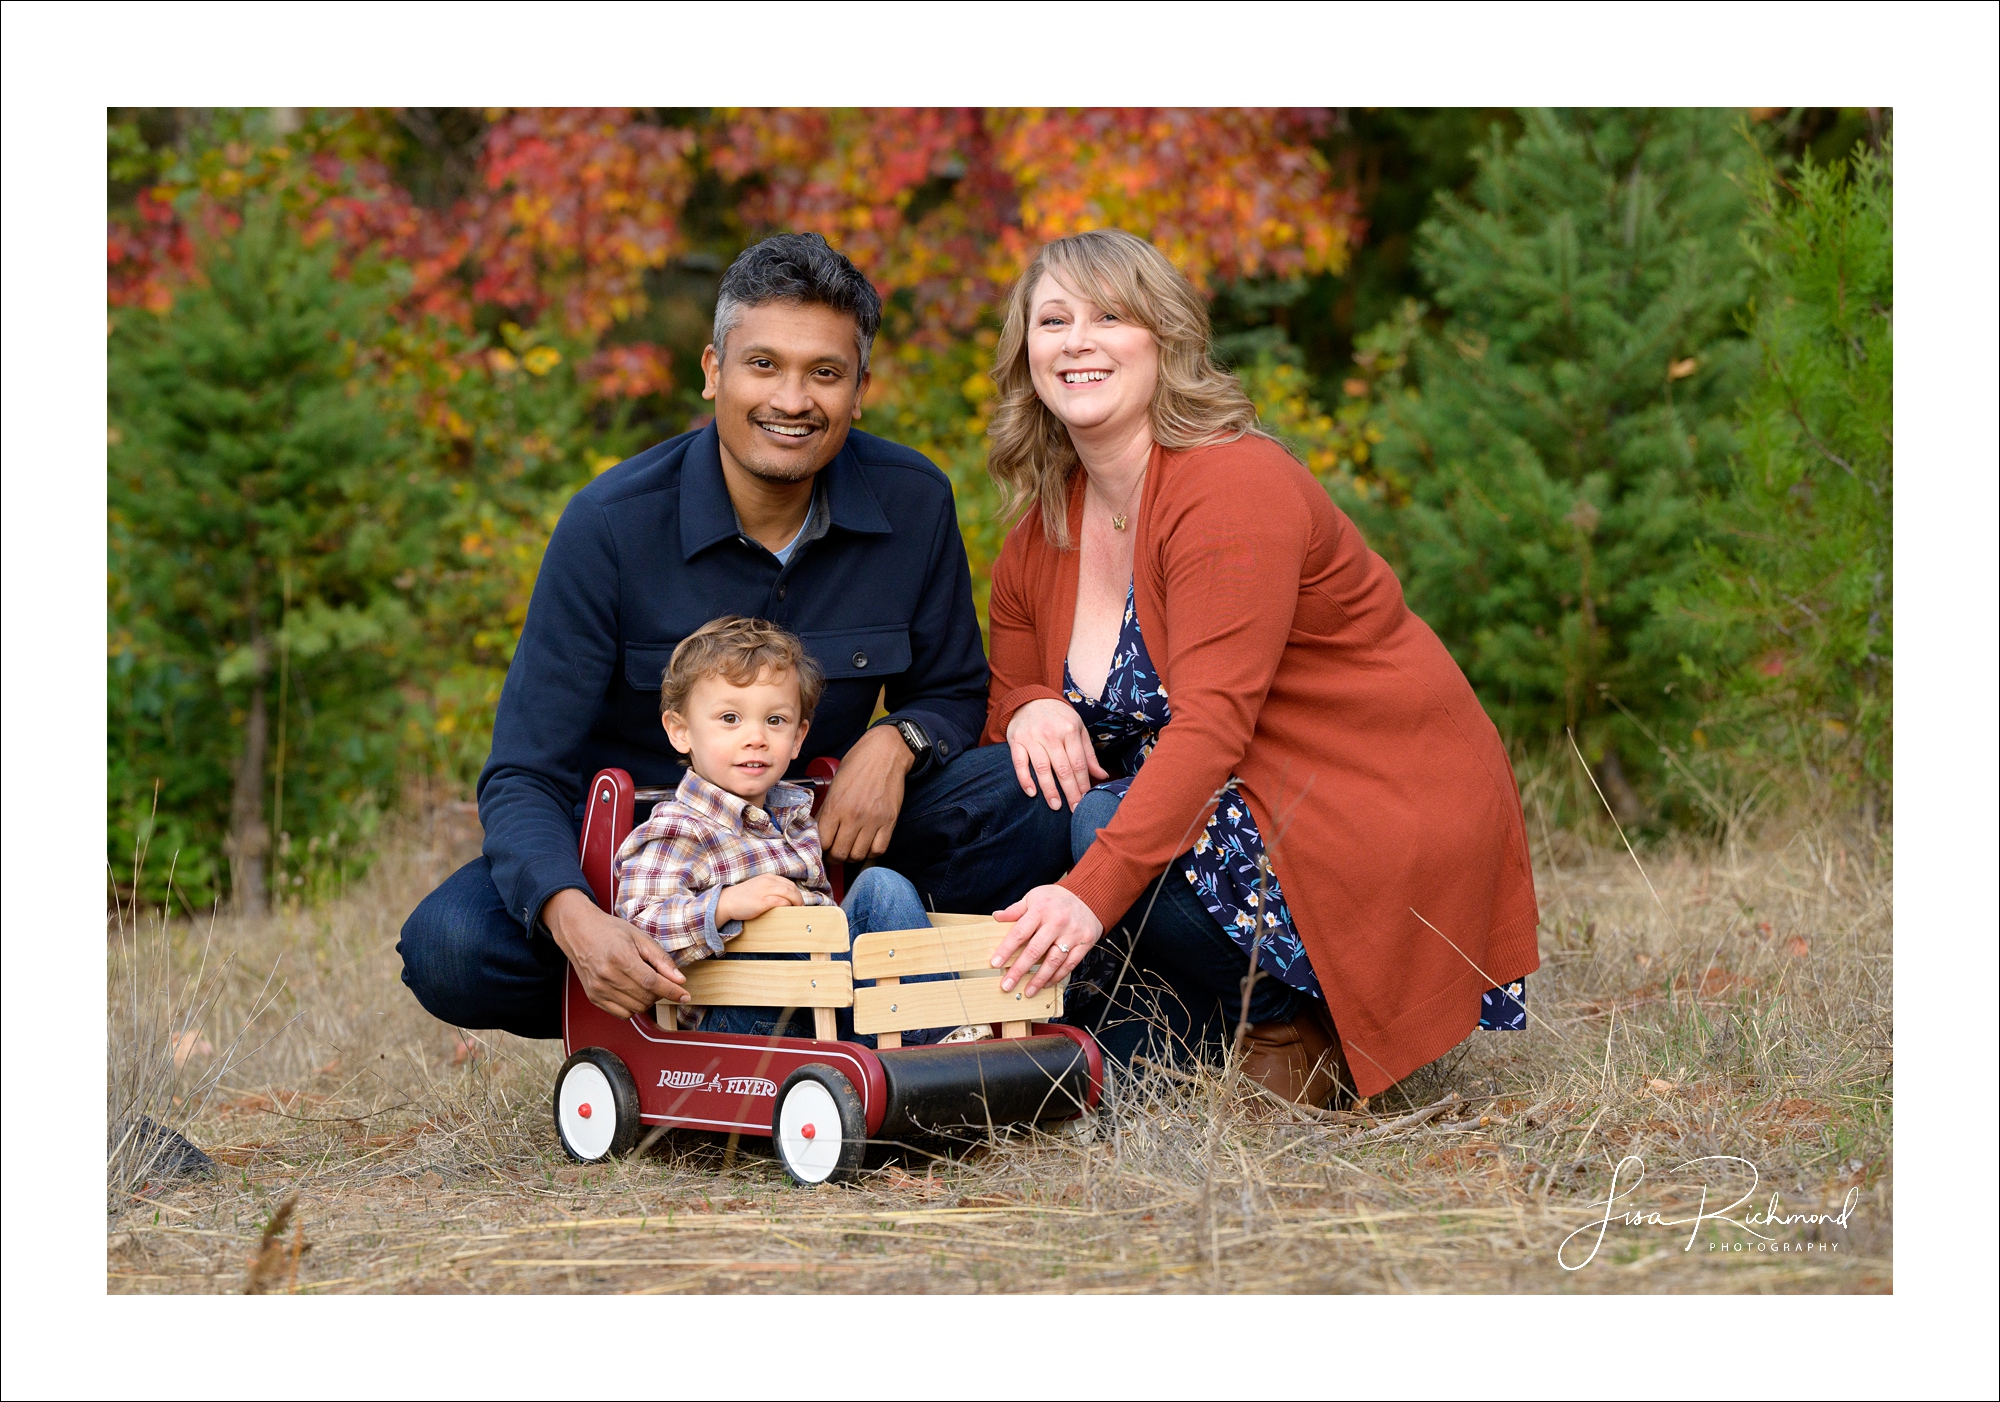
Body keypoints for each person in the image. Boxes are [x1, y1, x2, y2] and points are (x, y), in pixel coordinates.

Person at [398, 233, 1071, 1040]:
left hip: (825, 851)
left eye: (824, 373)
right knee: (452, 946)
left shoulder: (911, 499)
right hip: (645, 865)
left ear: (859, 390)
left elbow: (956, 690)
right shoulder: (609, 526)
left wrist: (897, 742)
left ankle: (876, 985)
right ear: (714, 370)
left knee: (1042, 796)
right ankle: (714, 1006)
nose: (792, 400)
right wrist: (579, 924)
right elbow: (522, 774)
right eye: (763, 366)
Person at [976, 229, 1541, 1107]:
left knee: (1094, 823)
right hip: (1225, 802)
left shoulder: (1230, 485)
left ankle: (1293, 1024)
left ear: (1164, 338)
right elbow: (1003, 692)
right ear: (1027, 354)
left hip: (1360, 798)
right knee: (1009, 799)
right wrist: (1027, 706)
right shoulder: (1042, 529)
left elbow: (1210, 729)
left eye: (1110, 316)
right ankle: (1168, 1031)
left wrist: (1087, 898)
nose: (1077, 340)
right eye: (1054, 320)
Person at [615, 615, 975, 1046]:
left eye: (775, 721)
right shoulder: (679, 830)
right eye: (730, 718)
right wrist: (723, 905)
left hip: (819, 1001)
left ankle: (935, 1034)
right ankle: (927, 1043)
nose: (756, 737)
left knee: (882, 886)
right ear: (681, 731)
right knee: (785, 929)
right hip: (741, 1016)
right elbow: (638, 934)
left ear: (799, 736)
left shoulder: (796, 820)